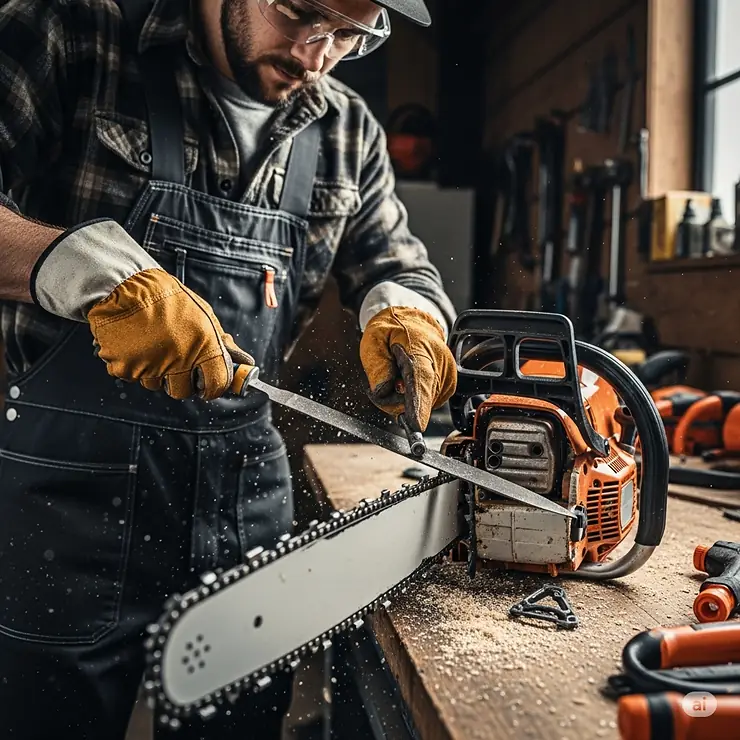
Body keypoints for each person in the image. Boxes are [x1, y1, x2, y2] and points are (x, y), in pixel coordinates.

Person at [0, 0, 458, 737]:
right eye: (302, 13)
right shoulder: (70, 33)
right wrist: (68, 261)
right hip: (67, 511)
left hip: (244, 504)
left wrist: (407, 310)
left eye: (350, 34)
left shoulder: (346, 130)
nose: (317, 55)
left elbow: (398, 259)